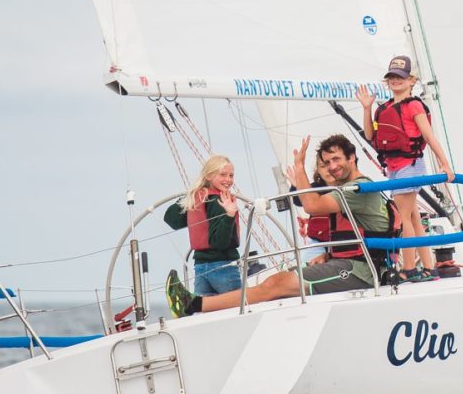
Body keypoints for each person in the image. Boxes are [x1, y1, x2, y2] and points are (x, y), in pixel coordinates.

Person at [166, 134, 395, 316]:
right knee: (277, 281)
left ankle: (194, 305)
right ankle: (196, 304)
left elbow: (312, 205)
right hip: (345, 262)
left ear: (352, 158)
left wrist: (300, 167)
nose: (332, 167)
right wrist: (327, 255)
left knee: (276, 283)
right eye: (326, 162)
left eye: (336, 160)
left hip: (362, 271)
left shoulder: (356, 189)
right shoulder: (347, 189)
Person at [356, 55, 453, 280]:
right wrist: (367, 108)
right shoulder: (384, 109)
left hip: (411, 164)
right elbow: (370, 135)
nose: (395, 81)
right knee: (414, 218)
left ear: (411, 81)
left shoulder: (414, 105)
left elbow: (429, 136)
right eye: (391, 77)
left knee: (405, 217)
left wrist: (445, 164)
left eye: (400, 77)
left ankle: (408, 269)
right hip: (393, 167)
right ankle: (429, 267)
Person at [162, 155, 245, 295]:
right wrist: (229, 215)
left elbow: (170, 219)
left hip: (200, 268)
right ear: (208, 176)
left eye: (231, 175)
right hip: (224, 267)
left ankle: (192, 308)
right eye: (223, 175)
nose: (228, 180)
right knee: (235, 309)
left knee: (206, 313)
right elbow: (220, 242)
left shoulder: (198, 198)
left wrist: (190, 196)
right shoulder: (220, 202)